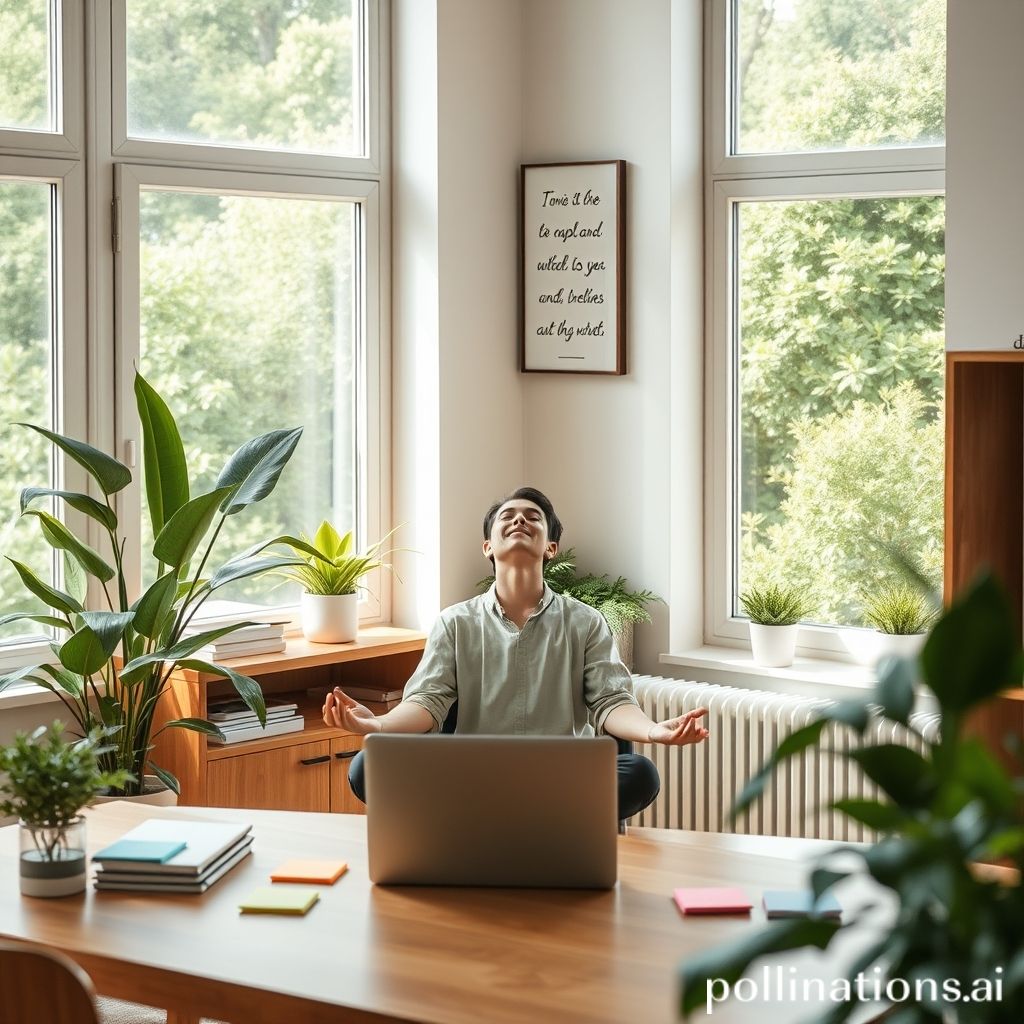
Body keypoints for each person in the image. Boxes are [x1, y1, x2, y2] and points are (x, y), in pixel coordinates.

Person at [323, 486, 709, 820]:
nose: (519, 521)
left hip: (562, 774)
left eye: (533, 517)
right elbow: (428, 701)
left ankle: (499, 813)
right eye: (507, 516)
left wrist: (655, 731)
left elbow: (611, 702)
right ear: (488, 547)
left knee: (640, 774)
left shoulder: (585, 622)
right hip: (473, 773)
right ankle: (522, 812)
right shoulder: (455, 623)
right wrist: (376, 725)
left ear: (551, 547)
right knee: (368, 766)